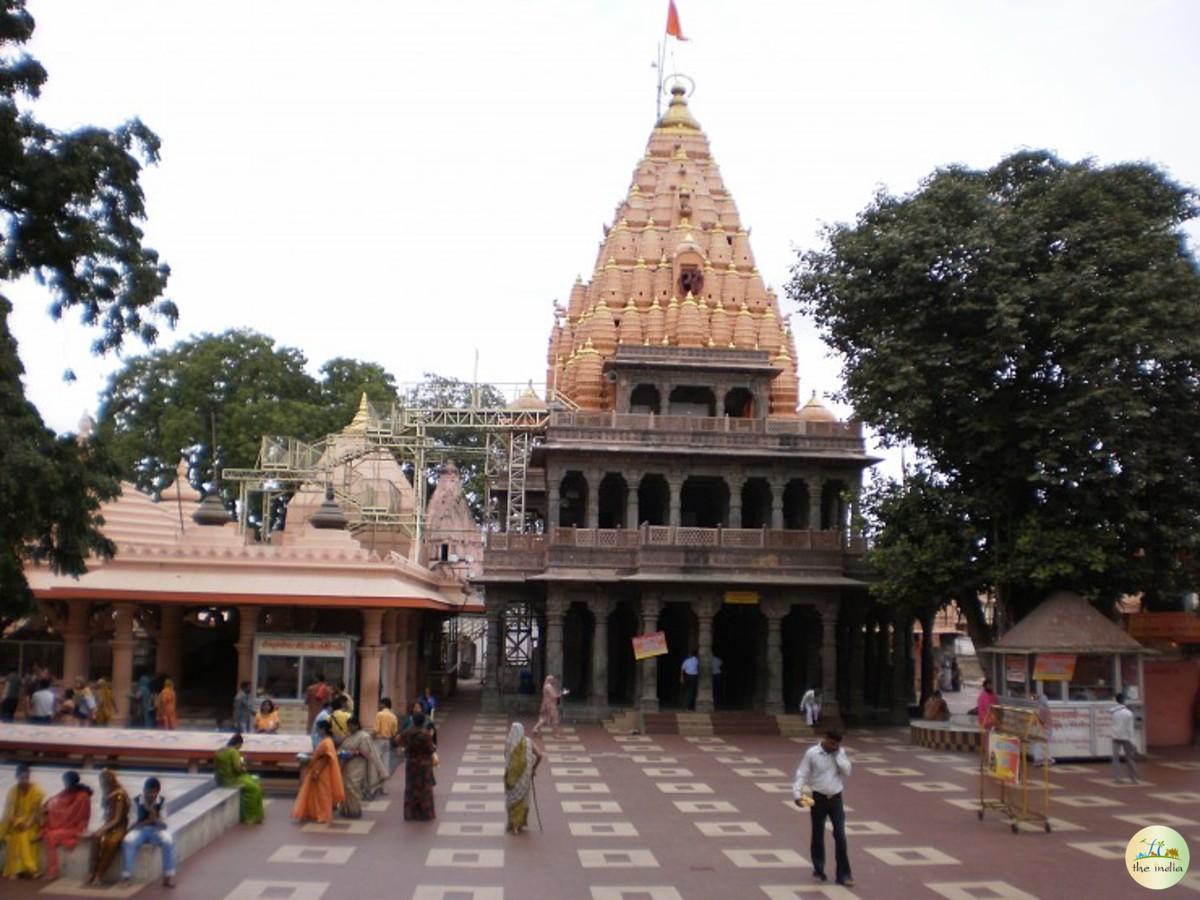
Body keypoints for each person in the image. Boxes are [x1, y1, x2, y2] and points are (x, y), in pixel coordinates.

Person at [793, 728, 854, 889]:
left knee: (840, 835)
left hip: (836, 798)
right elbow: (802, 773)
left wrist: (837, 757)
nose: (833, 746)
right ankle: (819, 870)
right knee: (818, 834)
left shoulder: (840, 753)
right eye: (831, 743)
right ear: (825, 739)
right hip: (818, 798)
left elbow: (847, 771)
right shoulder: (812, 753)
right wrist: (797, 793)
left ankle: (844, 874)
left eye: (836, 744)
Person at [121, 777, 176, 888]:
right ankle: (127, 876)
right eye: (149, 792)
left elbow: (164, 824)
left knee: (168, 841)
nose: (151, 795)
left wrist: (155, 819)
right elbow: (132, 825)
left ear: (157, 792)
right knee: (128, 841)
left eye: (154, 792)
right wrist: (148, 821)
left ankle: (168, 876)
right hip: (139, 830)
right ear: (144, 790)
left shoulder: (162, 801)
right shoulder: (136, 802)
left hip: (156, 830)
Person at [42, 770, 93, 879]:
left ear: (70, 782)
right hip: (66, 824)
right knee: (45, 829)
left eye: (65, 781)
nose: (64, 784)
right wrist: (48, 806)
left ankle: (53, 871)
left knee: (50, 836)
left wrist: (53, 810)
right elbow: (54, 800)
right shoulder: (67, 791)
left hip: (76, 827)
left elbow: (72, 814)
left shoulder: (82, 797)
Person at [292, 720, 345, 824]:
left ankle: (324, 815)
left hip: (322, 772)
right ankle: (316, 813)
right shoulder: (326, 741)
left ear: (323, 729)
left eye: (318, 729)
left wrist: (317, 771)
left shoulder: (327, 742)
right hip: (319, 769)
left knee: (323, 794)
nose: (317, 731)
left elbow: (326, 758)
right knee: (317, 794)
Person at [86, 769, 130, 885]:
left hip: (119, 826)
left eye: (105, 782)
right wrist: (101, 829)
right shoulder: (107, 793)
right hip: (108, 824)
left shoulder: (119, 794)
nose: (103, 785)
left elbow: (117, 818)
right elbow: (106, 814)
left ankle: (100, 874)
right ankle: (91, 872)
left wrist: (103, 829)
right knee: (95, 838)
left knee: (111, 842)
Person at [1, 762, 45, 878]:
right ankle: (23, 869)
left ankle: (30, 869)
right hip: (14, 822)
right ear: (17, 777)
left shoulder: (36, 792)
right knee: (15, 834)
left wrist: (26, 824)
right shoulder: (12, 791)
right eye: (22, 778)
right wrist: (16, 822)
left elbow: (36, 813)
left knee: (22, 835)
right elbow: (9, 812)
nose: (24, 781)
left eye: (26, 778)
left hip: (31, 823)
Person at [339, 717, 388, 818]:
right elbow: (343, 747)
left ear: (357, 725)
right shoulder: (349, 736)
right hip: (346, 764)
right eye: (348, 726)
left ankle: (355, 810)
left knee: (353, 787)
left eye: (351, 726)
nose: (349, 728)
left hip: (357, 764)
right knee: (345, 786)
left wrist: (354, 753)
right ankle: (346, 809)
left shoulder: (364, 736)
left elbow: (368, 752)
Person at [214, 733, 265, 824]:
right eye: (240, 745)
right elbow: (237, 768)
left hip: (220, 779)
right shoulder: (233, 752)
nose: (240, 748)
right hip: (232, 780)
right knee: (255, 788)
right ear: (238, 744)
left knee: (252, 781)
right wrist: (244, 769)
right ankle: (250, 816)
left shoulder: (220, 750)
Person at [503, 722, 541, 834]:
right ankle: (518, 825)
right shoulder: (528, 742)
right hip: (525, 778)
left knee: (512, 799)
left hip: (511, 779)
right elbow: (540, 755)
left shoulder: (508, 743)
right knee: (522, 799)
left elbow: (506, 758)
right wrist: (533, 768)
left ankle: (512, 824)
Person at [403, 711, 437, 821]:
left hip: (411, 763)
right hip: (424, 764)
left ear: (413, 720)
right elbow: (431, 749)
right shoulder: (426, 734)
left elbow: (396, 741)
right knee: (425, 790)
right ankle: (425, 814)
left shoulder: (407, 732)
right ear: (423, 721)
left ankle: (411, 814)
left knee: (411, 789)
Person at [1111, 692, 1139, 784]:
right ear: (1124, 700)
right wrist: (1133, 742)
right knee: (1129, 758)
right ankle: (1133, 778)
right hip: (1126, 737)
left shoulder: (1113, 712)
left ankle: (1117, 777)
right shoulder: (1128, 713)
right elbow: (1130, 729)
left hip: (1115, 736)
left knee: (1116, 758)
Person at [1032, 691, 1055, 765]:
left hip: (1044, 729)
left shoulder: (1042, 709)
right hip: (1047, 729)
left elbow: (1041, 720)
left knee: (1040, 744)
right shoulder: (1046, 708)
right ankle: (1045, 759)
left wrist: (1036, 716)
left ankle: (1044, 759)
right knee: (1043, 744)